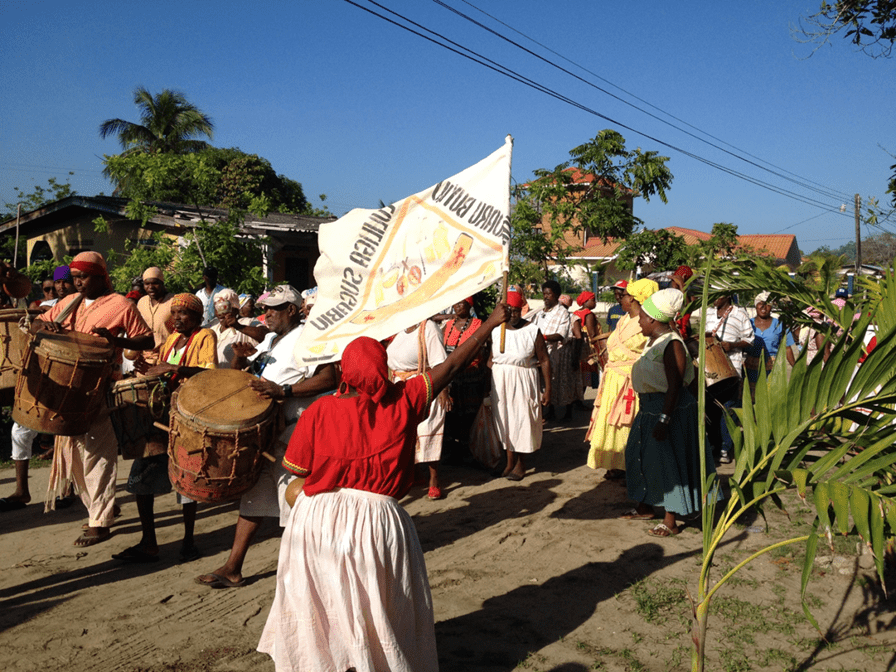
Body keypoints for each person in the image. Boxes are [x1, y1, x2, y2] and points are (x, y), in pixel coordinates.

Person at [257, 302, 510, 672]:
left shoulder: (319, 411)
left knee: (321, 604)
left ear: (344, 370)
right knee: (376, 608)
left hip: (316, 520)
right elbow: (452, 366)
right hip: (378, 521)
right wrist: (489, 324)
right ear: (384, 368)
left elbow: (298, 473)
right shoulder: (406, 400)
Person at [195, 285, 338, 588]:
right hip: (265, 433)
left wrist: (283, 391)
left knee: (295, 503)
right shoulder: (271, 340)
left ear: (292, 309)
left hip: (294, 432)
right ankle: (233, 567)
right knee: (254, 500)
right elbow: (244, 377)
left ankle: (306, 575)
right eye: (266, 307)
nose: (268, 313)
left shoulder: (309, 338)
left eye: (276, 307)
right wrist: (238, 359)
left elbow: (328, 378)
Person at [35, 251, 154, 546]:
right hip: (66, 390)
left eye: (83, 277)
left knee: (97, 453)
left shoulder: (120, 305)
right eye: (74, 278)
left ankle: (99, 522)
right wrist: (45, 326)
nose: (78, 283)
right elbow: (36, 323)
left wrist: (117, 341)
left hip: (98, 389)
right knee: (72, 454)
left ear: (101, 277)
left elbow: (147, 339)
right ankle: (101, 509)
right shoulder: (66, 304)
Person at [113, 294, 218, 563]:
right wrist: (146, 367)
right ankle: (149, 542)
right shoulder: (171, 339)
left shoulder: (205, 336)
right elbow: (159, 370)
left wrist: (174, 367)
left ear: (197, 317)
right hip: (159, 414)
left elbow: (209, 372)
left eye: (185, 313)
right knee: (141, 475)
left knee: (186, 476)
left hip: (186, 414)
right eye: (175, 313)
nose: (178, 318)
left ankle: (189, 540)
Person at [623, 288, 716, 536]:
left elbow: (675, 385)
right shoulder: (654, 341)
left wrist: (665, 419)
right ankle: (645, 505)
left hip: (669, 410)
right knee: (639, 455)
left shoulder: (672, 344)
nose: (639, 321)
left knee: (668, 462)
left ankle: (670, 519)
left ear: (653, 319)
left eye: (642, 317)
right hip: (649, 408)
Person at [0, 264, 75, 512]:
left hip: (67, 375)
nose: (61, 287)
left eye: (66, 282)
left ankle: (68, 488)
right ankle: (22, 491)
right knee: (20, 431)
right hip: (36, 373)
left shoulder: (83, 305)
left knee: (67, 431)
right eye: (57, 284)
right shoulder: (39, 308)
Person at [586, 278, 657, 479]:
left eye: (625, 295)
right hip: (614, 380)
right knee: (612, 423)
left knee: (627, 425)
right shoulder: (624, 319)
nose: (621, 298)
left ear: (634, 298)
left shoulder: (646, 323)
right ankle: (616, 464)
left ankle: (632, 469)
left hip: (631, 382)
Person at [489, 291, 551, 481]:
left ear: (521, 310)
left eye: (516, 311)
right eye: (508, 310)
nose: (512, 314)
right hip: (500, 381)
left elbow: (545, 360)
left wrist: (547, 388)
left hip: (523, 380)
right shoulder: (495, 330)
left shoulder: (532, 330)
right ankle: (509, 462)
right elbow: (490, 360)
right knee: (505, 420)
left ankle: (521, 463)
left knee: (521, 421)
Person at [387, 318, 448, 499]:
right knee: (407, 431)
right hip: (400, 386)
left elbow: (440, 362)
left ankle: (433, 480)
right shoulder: (399, 329)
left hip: (425, 385)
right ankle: (414, 474)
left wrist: (443, 389)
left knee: (428, 429)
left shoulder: (429, 328)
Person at [704, 293, 755, 464]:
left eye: (717, 295)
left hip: (731, 370)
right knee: (711, 409)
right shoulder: (709, 313)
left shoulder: (739, 314)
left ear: (726, 296)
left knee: (728, 409)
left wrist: (731, 345)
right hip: (711, 371)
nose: (714, 298)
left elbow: (750, 340)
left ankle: (726, 447)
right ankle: (713, 443)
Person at [441, 297, 486, 460]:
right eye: (456, 302)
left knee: (469, 415)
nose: (458, 305)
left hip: (471, 376)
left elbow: (483, 350)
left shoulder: (477, 325)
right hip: (451, 376)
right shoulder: (448, 325)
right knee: (452, 414)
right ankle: (452, 450)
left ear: (469, 304)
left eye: (462, 303)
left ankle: (469, 450)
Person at [526, 280, 574, 421]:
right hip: (538, 352)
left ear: (557, 295)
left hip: (555, 353)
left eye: (549, 294)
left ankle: (563, 412)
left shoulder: (562, 313)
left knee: (556, 383)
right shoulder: (538, 312)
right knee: (540, 384)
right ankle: (547, 411)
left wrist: (542, 338)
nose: (546, 296)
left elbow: (561, 334)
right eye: (544, 293)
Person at [745, 291, 796, 397]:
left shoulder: (779, 325)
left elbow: (787, 348)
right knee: (752, 397)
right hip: (751, 365)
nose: (764, 307)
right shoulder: (747, 324)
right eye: (761, 303)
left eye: (768, 304)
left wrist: (796, 367)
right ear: (756, 306)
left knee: (770, 396)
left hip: (772, 366)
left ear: (772, 307)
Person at [209, 288, 268, 368]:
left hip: (233, 378)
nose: (220, 313)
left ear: (236, 310)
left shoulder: (247, 322)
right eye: (217, 308)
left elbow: (267, 336)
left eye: (225, 307)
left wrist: (238, 326)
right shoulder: (213, 326)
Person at [136, 266, 174, 366]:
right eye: (147, 284)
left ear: (162, 283)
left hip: (167, 358)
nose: (151, 287)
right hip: (145, 360)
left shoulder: (173, 301)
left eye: (155, 283)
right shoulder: (141, 302)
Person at [574, 290, 601, 393]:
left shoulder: (576, 313)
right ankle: (580, 399)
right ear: (585, 301)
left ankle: (578, 399)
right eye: (593, 300)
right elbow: (592, 333)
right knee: (586, 375)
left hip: (579, 347)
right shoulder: (589, 314)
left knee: (580, 375)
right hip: (589, 349)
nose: (595, 303)